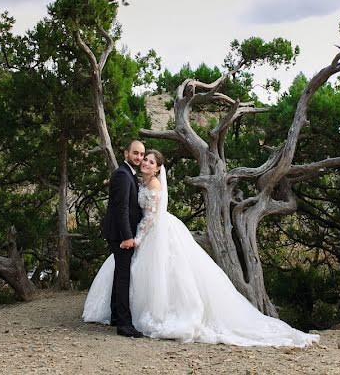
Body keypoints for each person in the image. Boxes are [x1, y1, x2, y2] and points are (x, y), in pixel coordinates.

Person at [84, 149, 319, 348]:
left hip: (156, 231)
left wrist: (137, 239)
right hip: (148, 231)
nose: (145, 162)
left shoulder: (154, 185)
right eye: (144, 159)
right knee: (140, 273)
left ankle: (159, 314)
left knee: (165, 273)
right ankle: (125, 315)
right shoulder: (138, 179)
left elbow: (149, 217)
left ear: (158, 169)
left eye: (151, 162)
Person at [99, 140, 145, 338]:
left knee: (120, 274)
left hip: (121, 233)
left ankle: (117, 316)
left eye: (142, 154)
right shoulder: (122, 174)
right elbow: (121, 208)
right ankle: (124, 325)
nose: (139, 157)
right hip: (120, 235)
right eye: (135, 153)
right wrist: (127, 237)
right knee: (124, 276)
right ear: (126, 153)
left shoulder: (129, 174)